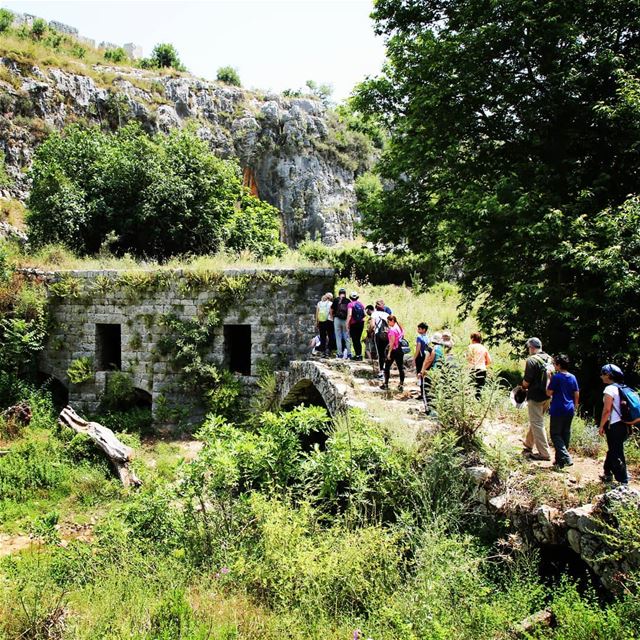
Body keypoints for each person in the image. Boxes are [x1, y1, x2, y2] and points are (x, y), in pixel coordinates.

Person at [521, 337, 553, 461]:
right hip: (548, 395)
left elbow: (527, 380)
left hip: (535, 396)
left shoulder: (531, 360)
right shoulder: (550, 358)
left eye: (528, 348)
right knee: (536, 421)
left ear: (531, 347)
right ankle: (528, 444)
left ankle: (544, 453)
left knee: (537, 423)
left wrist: (522, 387)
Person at [598, 364, 630, 485]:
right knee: (613, 449)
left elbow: (607, 410)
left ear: (608, 375)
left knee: (616, 452)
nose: (601, 376)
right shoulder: (623, 387)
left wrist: (601, 426)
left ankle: (623, 481)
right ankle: (607, 473)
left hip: (614, 425)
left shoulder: (609, 389)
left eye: (603, 374)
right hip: (625, 425)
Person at [546, 354, 579, 469]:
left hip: (558, 408)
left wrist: (550, 378)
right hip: (569, 408)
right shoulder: (572, 377)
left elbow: (549, 393)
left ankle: (566, 457)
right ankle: (560, 462)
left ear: (559, 365)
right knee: (565, 433)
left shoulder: (556, 377)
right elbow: (576, 392)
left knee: (555, 434)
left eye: (555, 364)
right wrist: (575, 405)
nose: (554, 365)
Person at [381, 314, 405, 391]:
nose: (388, 323)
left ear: (392, 321)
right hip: (399, 350)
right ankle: (401, 384)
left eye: (388, 322)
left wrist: (389, 353)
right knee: (400, 368)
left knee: (387, 367)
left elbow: (392, 342)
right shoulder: (399, 328)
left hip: (393, 350)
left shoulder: (392, 330)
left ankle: (386, 384)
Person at [467, 332, 492, 397]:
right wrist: (482, 363)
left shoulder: (470, 347)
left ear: (472, 339)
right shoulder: (483, 348)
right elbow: (489, 361)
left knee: (470, 387)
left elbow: (467, 359)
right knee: (479, 389)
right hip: (482, 369)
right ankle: (478, 402)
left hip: (472, 369)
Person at [369, 301, 390, 378]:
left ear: (376, 306)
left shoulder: (374, 314)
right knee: (386, 353)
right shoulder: (387, 314)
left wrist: (370, 333)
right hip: (387, 336)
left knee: (380, 354)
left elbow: (372, 325)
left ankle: (381, 372)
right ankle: (386, 370)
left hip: (378, 335)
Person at [330, 288, 351, 358]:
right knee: (346, 337)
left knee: (338, 337)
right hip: (345, 320)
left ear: (339, 293)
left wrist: (332, 318)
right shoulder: (348, 300)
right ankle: (349, 353)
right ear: (345, 293)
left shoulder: (336, 300)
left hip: (337, 319)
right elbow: (349, 312)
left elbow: (331, 309)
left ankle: (339, 353)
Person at [346, 292, 366, 361]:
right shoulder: (361, 304)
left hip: (353, 324)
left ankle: (357, 356)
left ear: (350, 298)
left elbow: (349, 315)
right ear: (357, 297)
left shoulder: (350, 304)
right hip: (361, 323)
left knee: (355, 340)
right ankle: (360, 355)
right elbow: (364, 314)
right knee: (358, 339)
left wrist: (347, 324)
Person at [315, 293, 333, 357]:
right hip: (329, 321)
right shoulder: (331, 303)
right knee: (330, 335)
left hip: (321, 321)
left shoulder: (319, 303)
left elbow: (317, 313)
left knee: (322, 336)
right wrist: (332, 319)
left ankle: (322, 349)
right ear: (330, 298)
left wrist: (317, 321)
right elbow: (331, 313)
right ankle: (328, 349)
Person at [415, 322, 430, 395]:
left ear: (424, 330)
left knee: (419, 373)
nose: (418, 330)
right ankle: (426, 392)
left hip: (420, 357)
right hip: (426, 357)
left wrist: (414, 358)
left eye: (419, 329)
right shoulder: (428, 337)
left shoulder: (419, 337)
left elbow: (418, 348)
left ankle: (422, 393)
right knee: (425, 373)